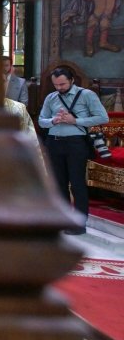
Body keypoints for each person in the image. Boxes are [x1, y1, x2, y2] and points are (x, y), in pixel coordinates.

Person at [39, 65, 109, 234]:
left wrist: (75, 121)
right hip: (54, 142)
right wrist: (53, 121)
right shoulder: (51, 97)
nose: (59, 88)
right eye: (56, 85)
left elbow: (102, 117)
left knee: (77, 183)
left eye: (62, 84)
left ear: (71, 80)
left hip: (76, 143)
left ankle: (79, 224)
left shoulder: (87, 95)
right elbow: (42, 120)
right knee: (59, 183)